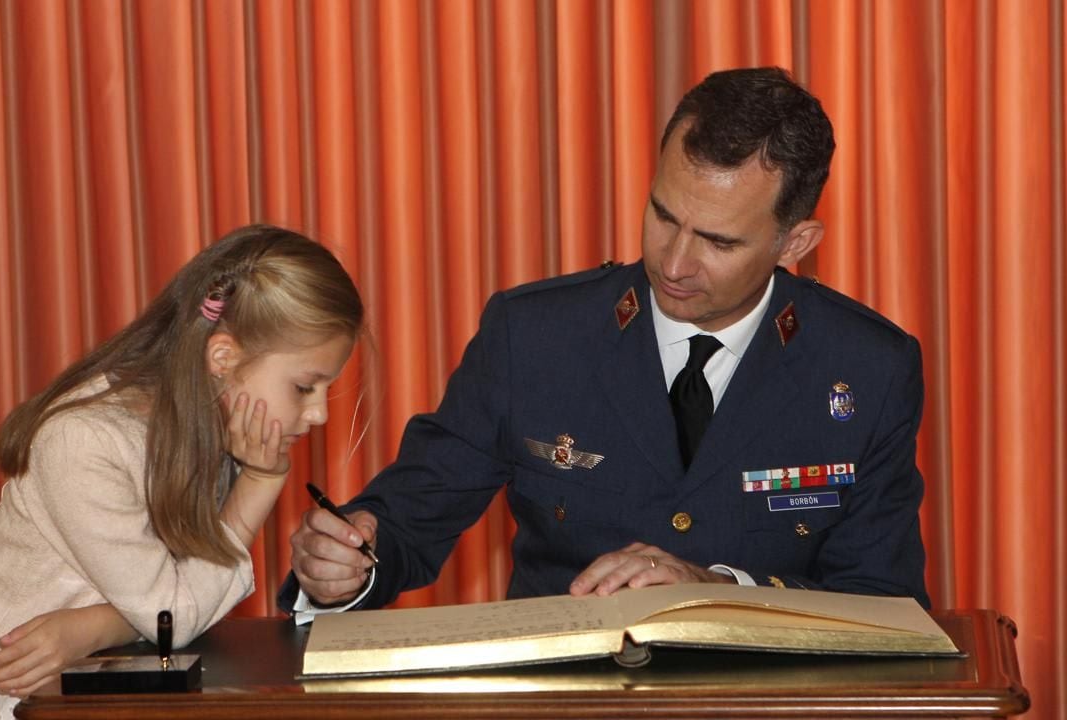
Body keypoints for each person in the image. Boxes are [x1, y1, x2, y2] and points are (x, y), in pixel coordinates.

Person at [280, 66, 929, 622]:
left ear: (795, 244)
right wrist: (343, 563)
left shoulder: (867, 370)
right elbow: (403, 523)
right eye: (663, 215)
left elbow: (883, 603)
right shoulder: (533, 338)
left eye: (718, 242)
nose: (674, 263)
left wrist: (719, 594)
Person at [0, 225, 363, 718]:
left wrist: (100, 626)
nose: (319, 414)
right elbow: (174, 613)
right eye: (305, 387)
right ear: (222, 357)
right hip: (0, 697)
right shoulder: (85, 441)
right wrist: (260, 483)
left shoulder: (208, 425)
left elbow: (175, 602)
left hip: (97, 680)